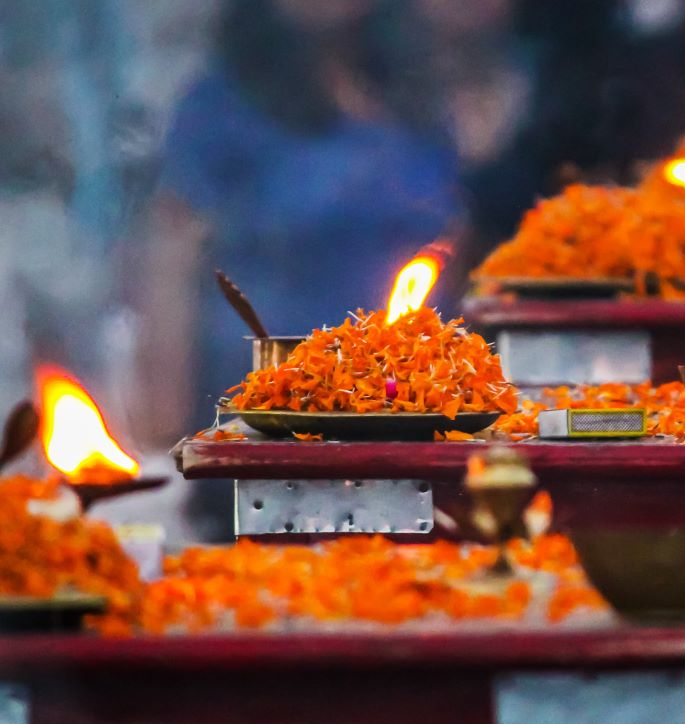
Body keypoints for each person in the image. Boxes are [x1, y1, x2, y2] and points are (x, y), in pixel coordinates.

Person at [134, 0, 462, 446]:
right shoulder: (223, 104)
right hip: (272, 417)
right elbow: (171, 256)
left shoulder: (414, 98)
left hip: (405, 413)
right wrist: (164, 426)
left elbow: (452, 234)